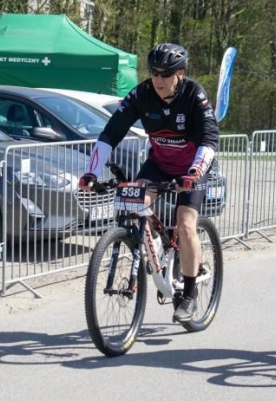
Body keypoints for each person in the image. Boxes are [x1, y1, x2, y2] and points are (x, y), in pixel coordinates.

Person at [79, 43, 219, 324]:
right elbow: (110, 134)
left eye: (165, 74)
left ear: (180, 73)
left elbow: (209, 139)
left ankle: (189, 294)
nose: (158, 80)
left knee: (185, 222)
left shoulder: (194, 94)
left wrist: (193, 173)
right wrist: (91, 173)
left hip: (192, 167)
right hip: (159, 164)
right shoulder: (142, 93)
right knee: (134, 204)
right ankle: (154, 245)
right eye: (154, 73)